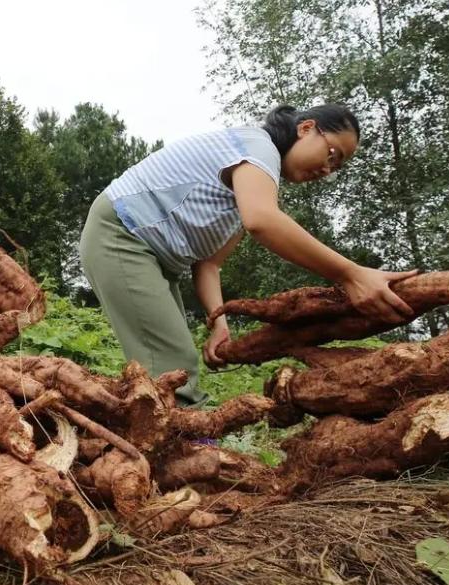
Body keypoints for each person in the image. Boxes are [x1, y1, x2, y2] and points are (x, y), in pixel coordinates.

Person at [79, 104, 417, 407]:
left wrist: (219, 323)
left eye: (337, 167)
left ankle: (147, 439)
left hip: (148, 252)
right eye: (332, 154)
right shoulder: (259, 148)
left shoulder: (251, 184)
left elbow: (209, 264)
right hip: (122, 233)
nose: (328, 170)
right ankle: (186, 450)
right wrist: (352, 274)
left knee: (169, 363)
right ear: (306, 128)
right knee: (171, 365)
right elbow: (262, 222)